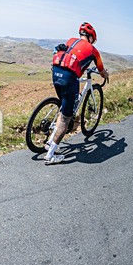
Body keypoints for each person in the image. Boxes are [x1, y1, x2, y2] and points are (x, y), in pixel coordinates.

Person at [45, 22, 109, 165]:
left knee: (64, 106)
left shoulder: (71, 40)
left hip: (55, 73)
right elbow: (101, 70)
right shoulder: (93, 50)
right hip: (69, 78)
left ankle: (50, 142)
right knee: (66, 118)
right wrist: (105, 74)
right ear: (92, 37)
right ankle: (50, 155)